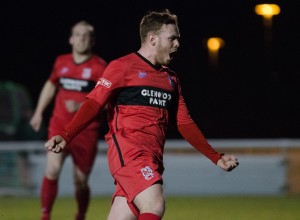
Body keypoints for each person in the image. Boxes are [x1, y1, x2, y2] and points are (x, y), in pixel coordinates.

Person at [45, 9, 239, 220]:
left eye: (178, 39)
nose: (177, 44)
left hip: (153, 159)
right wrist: (66, 136)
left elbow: (184, 123)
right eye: (172, 38)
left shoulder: (171, 79)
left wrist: (215, 157)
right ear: (152, 39)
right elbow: (94, 103)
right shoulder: (122, 67)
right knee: (154, 203)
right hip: (129, 154)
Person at [30, 20, 108, 220]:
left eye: (86, 35)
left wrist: (82, 105)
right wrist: (38, 112)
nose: (82, 38)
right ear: (71, 39)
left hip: (85, 131)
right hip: (59, 125)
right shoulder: (61, 62)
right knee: (52, 168)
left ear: (92, 41)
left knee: (80, 181)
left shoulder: (100, 67)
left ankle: (80, 215)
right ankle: (45, 216)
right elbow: (50, 85)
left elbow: (105, 99)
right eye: (78, 34)